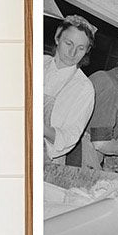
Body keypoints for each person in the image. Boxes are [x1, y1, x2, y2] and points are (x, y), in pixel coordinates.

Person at [42, 15, 96, 162]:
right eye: (68, 43)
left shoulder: (84, 88)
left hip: (47, 158)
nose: (72, 53)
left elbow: (71, 136)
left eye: (80, 48)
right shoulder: (37, 61)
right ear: (57, 37)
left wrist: (42, 129)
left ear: (87, 50)